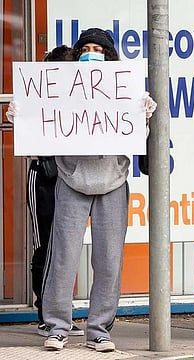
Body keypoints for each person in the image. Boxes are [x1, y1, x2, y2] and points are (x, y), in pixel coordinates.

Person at [41, 28, 156, 352]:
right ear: (78, 56)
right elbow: (42, 122)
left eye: (99, 49)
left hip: (112, 183)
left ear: (109, 56)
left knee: (109, 261)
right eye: (87, 49)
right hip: (72, 180)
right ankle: (58, 327)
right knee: (62, 258)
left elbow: (134, 136)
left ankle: (99, 330)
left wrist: (143, 118)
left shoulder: (125, 91)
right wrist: (22, 117)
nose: (93, 54)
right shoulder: (62, 91)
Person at [7, 45, 85, 338]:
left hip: (72, 177)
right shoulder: (37, 97)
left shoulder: (86, 99)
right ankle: (46, 314)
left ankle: (61, 315)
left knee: (66, 247)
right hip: (44, 176)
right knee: (45, 247)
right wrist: (18, 116)